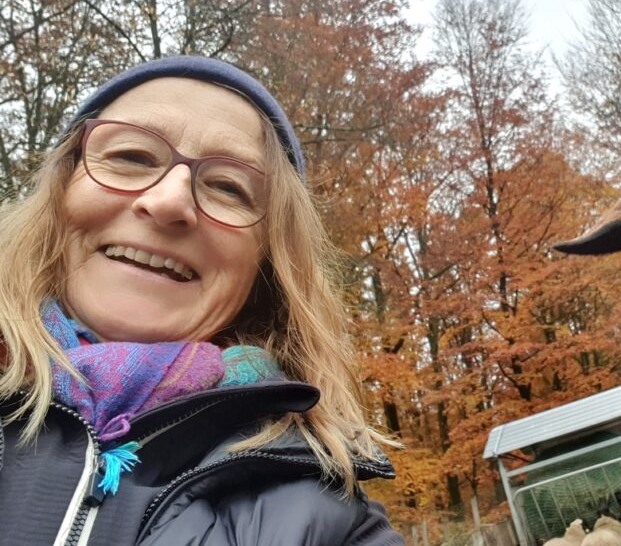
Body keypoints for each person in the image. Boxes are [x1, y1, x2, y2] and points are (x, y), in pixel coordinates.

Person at [0, 56, 404, 545]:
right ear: (58, 196)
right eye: (131, 157)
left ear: (269, 267)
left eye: (228, 187)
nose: (169, 201)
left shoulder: (331, 523)